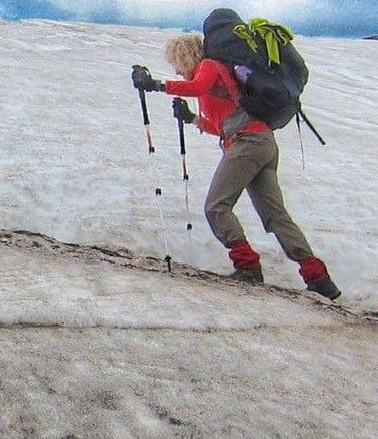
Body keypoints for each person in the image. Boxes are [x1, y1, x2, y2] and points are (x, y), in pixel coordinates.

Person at [134, 34, 340, 297]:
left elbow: (197, 89)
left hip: (247, 143)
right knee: (276, 215)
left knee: (216, 206)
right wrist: (192, 119)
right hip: (261, 143)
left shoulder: (208, 66)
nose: (176, 69)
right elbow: (223, 125)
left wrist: (155, 85)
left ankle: (248, 266)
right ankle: (318, 278)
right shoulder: (217, 76)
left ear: (185, 56)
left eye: (176, 62)